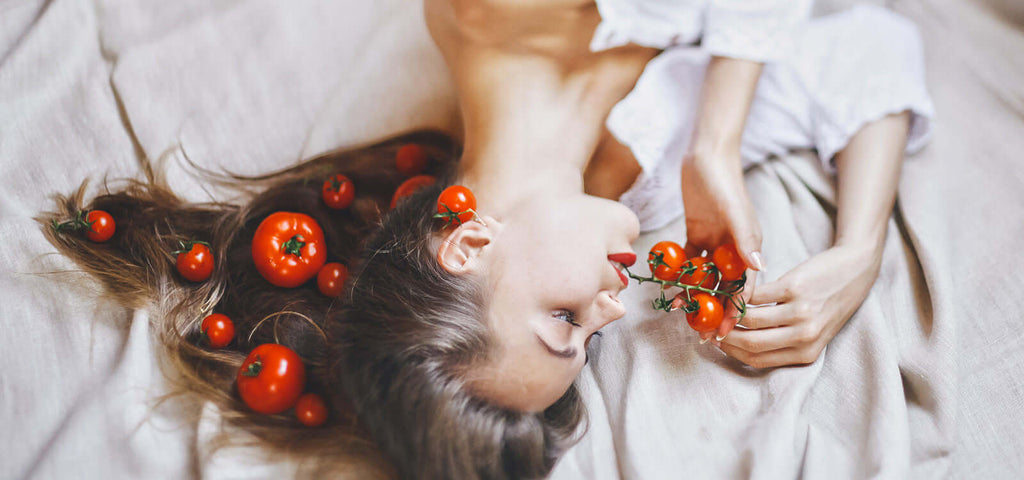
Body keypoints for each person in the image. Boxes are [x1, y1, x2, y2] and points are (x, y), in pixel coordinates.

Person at [40, 0, 931, 478]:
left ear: (464, 246)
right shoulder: (638, 178)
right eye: (590, 340)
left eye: (563, 318)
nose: (615, 309)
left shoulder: (492, 13)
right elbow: (869, 46)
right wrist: (856, 258)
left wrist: (720, 137)